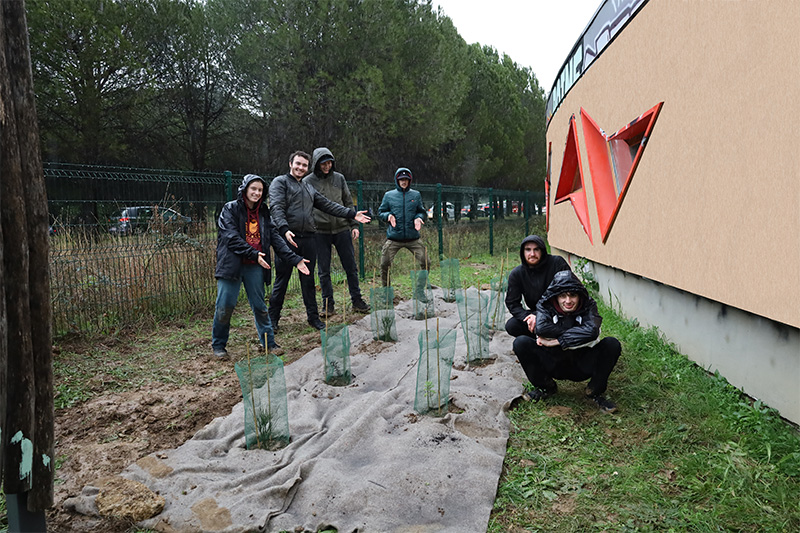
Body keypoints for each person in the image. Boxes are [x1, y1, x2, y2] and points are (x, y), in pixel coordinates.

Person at [268, 150, 371, 331]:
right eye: (298, 164)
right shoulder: (280, 183)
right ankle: (273, 320)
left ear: (308, 168)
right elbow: (276, 207)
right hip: (287, 239)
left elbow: (329, 205)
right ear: (290, 164)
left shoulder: (308, 188)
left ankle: (313, 318)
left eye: (304, 165)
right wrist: (284, 229)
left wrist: (352, 214)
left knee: (308, 281)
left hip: (308, 238)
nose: (300, 168)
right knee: (282, 281)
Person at [212, 174, 310, 358]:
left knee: (260, 307)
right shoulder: (230, 209)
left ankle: (269, 343)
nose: (257, 193)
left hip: (255, 265)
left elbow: (275, 239)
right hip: (231, 265)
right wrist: (254, 253)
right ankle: (219, 345)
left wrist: (295, 259)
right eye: (253, 189)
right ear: (245, 189)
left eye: (260, 190)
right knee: (225, 306)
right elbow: (230, 238)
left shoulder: (264, 212)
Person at [512, 269, 621, 412]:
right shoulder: (545, 305)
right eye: (562, 296)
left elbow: (592, 331)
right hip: (554, 362)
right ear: (555, 296)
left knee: (612, 344)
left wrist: (555, 341)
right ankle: (546, 387)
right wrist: (579, 333)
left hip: (582, 363)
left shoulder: (589, 305)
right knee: (521, 343)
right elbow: (542, 328)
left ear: (579, 296)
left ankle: (594, 391)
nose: (568, 301)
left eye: (573, 295)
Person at [303, 147, 370, 317]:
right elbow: (306, 207)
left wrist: (354, 225)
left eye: (329, 162)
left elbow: (348, 202)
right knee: (323, 270)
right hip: (320, 232)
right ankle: (328, 305)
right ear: (316, 164)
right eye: (323, 163)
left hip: (342, 229)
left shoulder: (339, 178)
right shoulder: (308, 181)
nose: (326, 166)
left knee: (350, 267)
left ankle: (357, 300)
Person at [505, 234, 571, 338]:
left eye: (536, 249)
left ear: (543, 251)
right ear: (523, 252)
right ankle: (536, 341)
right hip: (535, 313)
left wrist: (540, 316)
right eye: (528, 250)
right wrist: (529, 316)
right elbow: (512, 303)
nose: (532, 254)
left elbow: (570, 292)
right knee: (512, 325)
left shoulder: (557, 264)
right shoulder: (517, 274)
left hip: (560, 313)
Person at [377, 167, 429, 289]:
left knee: (426, 262)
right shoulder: (389, 195)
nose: (403, 182)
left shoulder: (416, 195)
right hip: (394, 237)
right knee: (384, 263)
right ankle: (387, 291)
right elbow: (381, 212)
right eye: (401, 179)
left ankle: (420, 289)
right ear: (397, 180)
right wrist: (388, 216)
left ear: (410, 180)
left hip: (413, 238)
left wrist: (419, 218)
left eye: (406, 179)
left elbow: (421, 212)